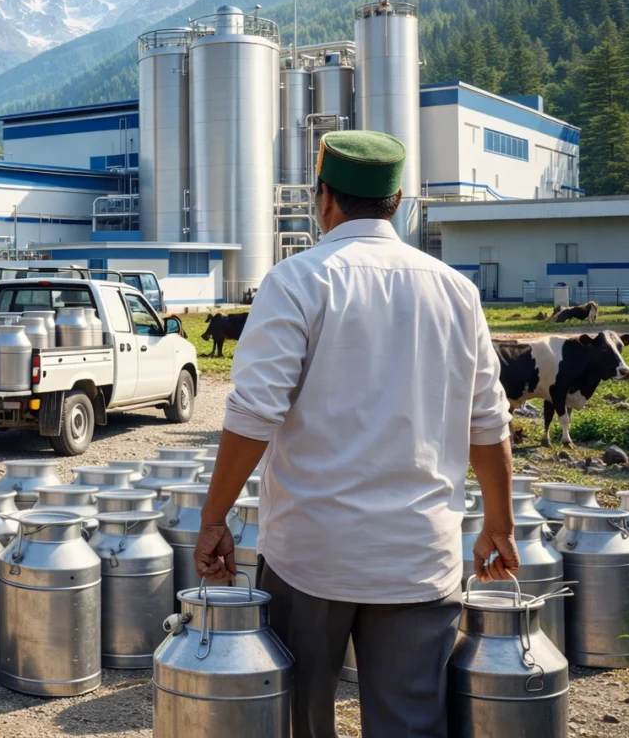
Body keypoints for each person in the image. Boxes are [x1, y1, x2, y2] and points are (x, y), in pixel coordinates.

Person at [194, 130, 518, 738]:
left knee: (301, 718)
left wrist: (214, 519)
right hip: (420, 558)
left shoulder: (296, 281)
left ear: (324, 200)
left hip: (312, 554)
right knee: (410, 722)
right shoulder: (456, 291)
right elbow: (488, 424)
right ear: (398, 202)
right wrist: (498, 524)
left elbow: (253, 414)